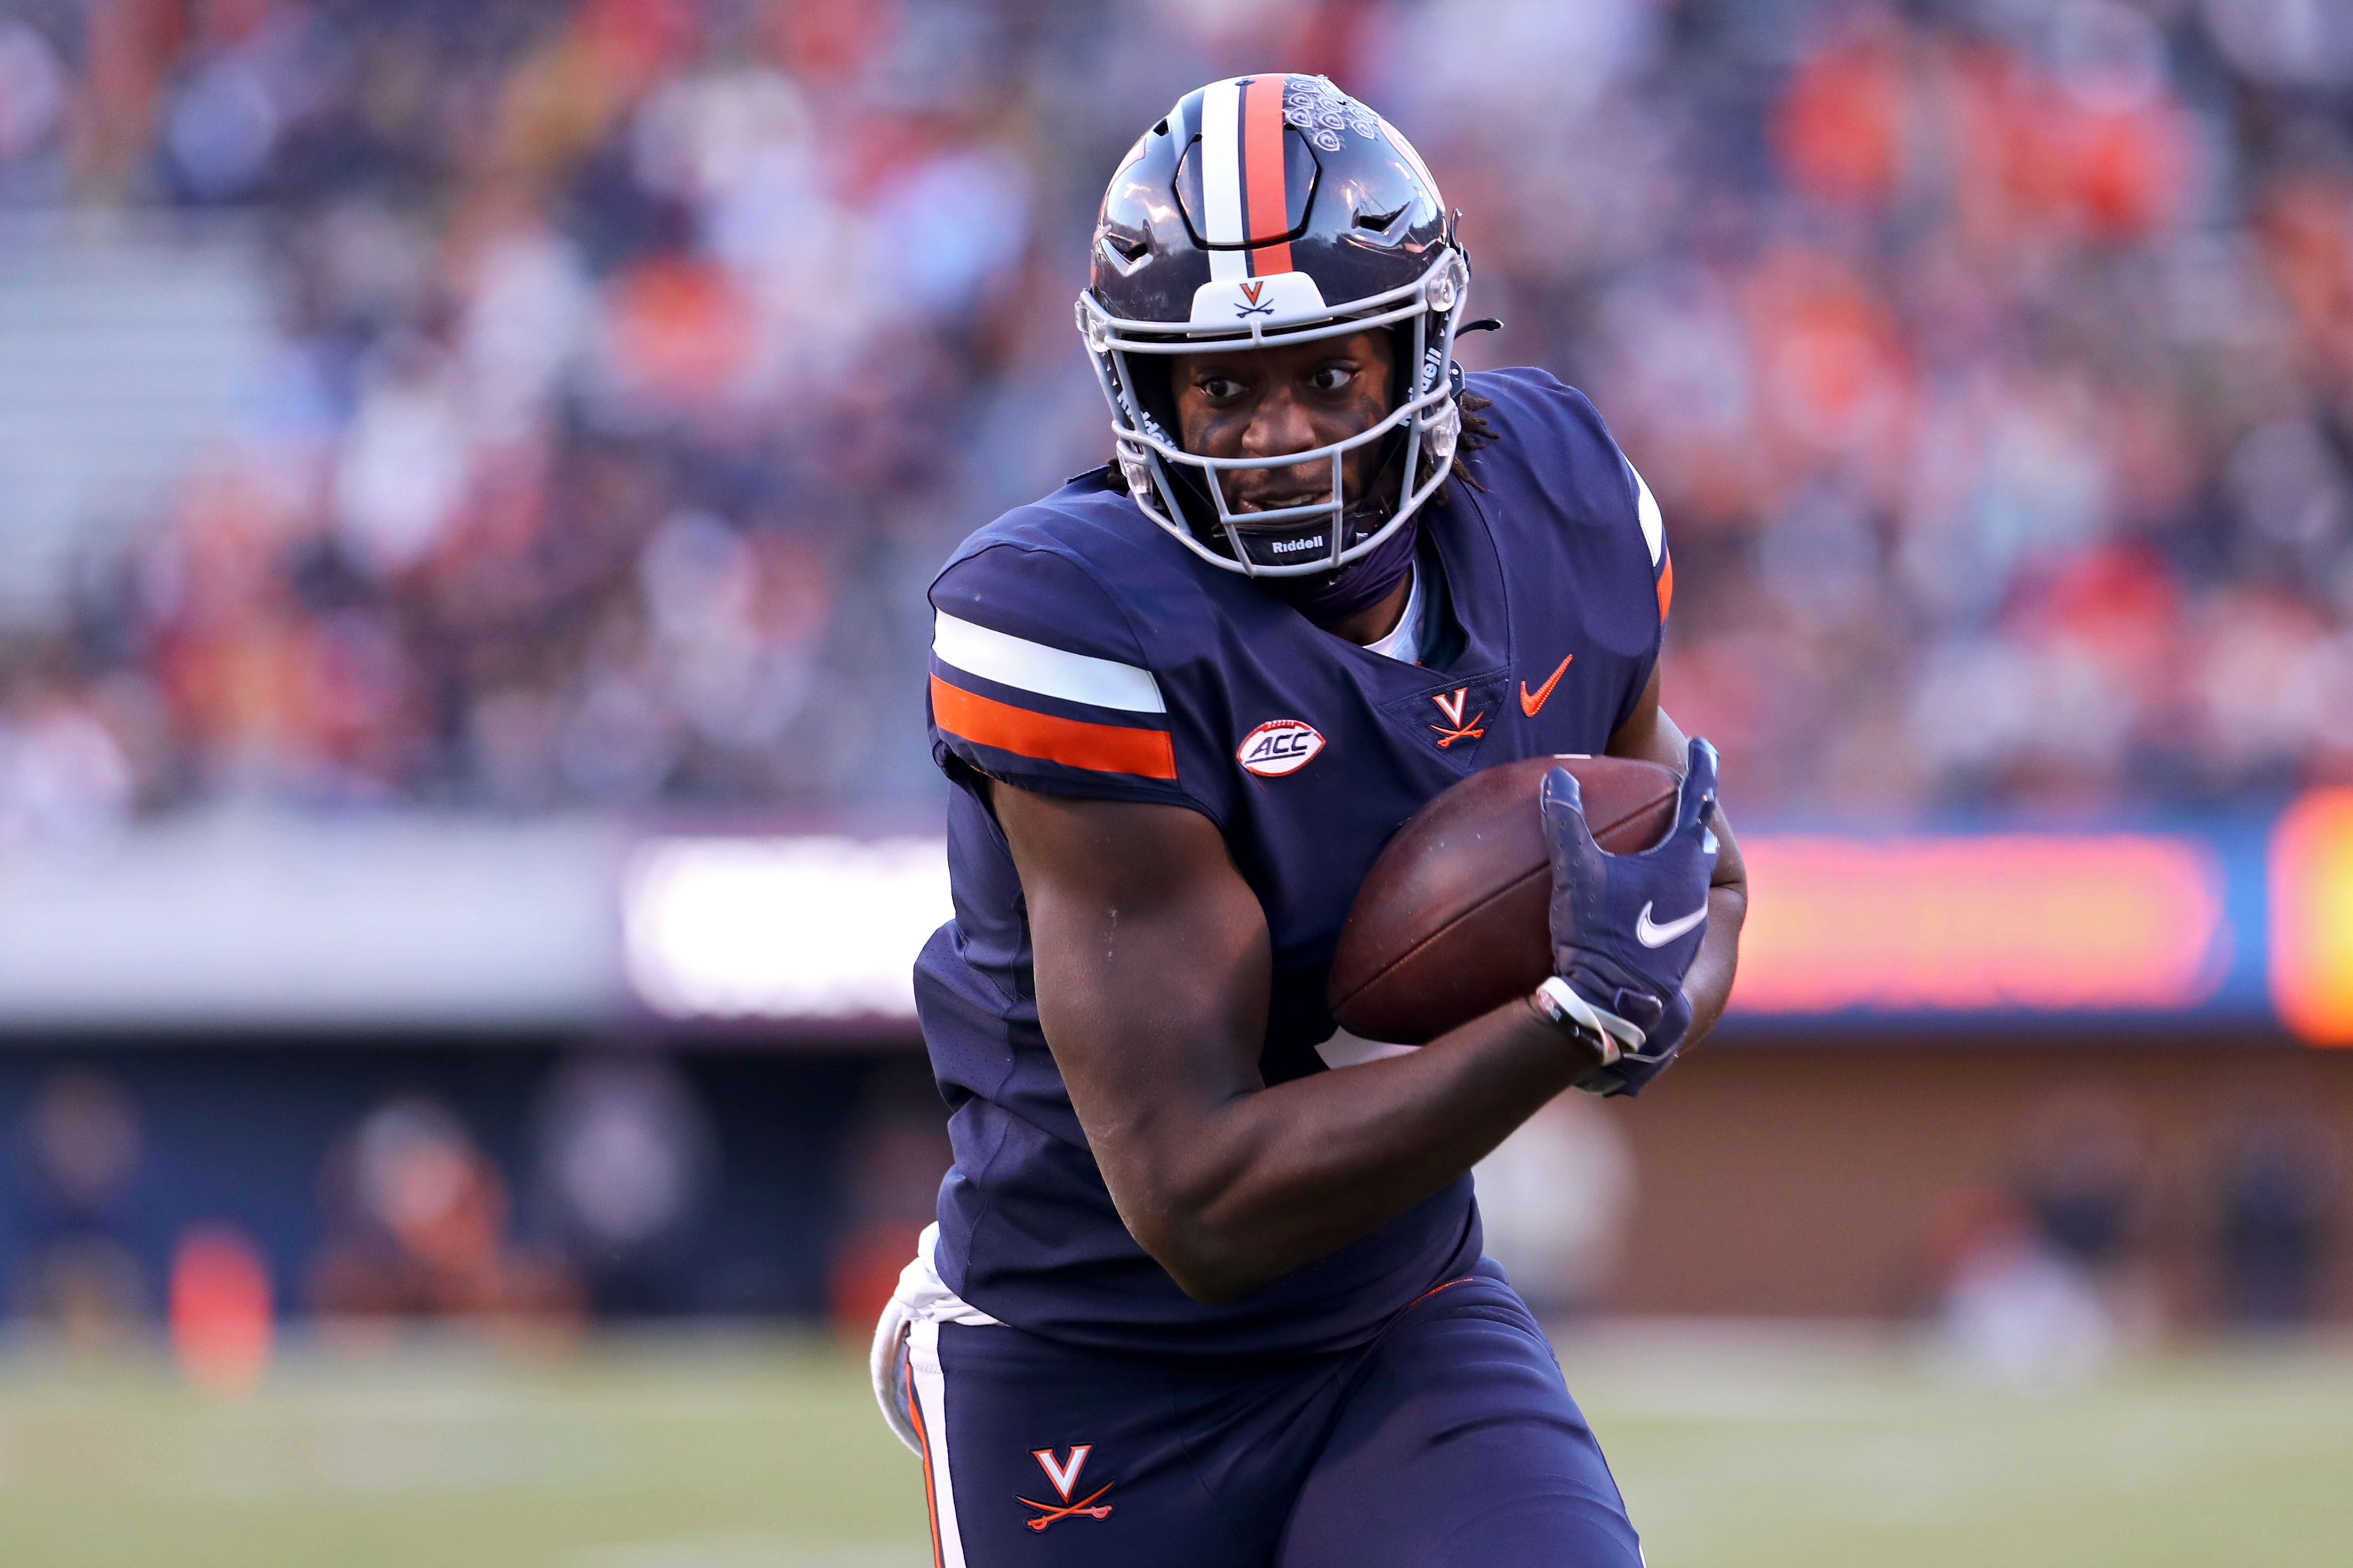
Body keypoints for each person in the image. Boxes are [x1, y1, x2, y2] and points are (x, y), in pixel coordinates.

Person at [874, 75, 1747, 1567]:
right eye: (1222, 387)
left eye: (1327, 375)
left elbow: (1687, 884)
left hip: (1391, 1316)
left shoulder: (1565, 501)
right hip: (1092, 1352)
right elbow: (1197, 1203)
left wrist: (1643, 997)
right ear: (1143, 392)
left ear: (1421, 349)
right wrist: (1563, 1026)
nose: (1274, 433)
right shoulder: (1072, 622)